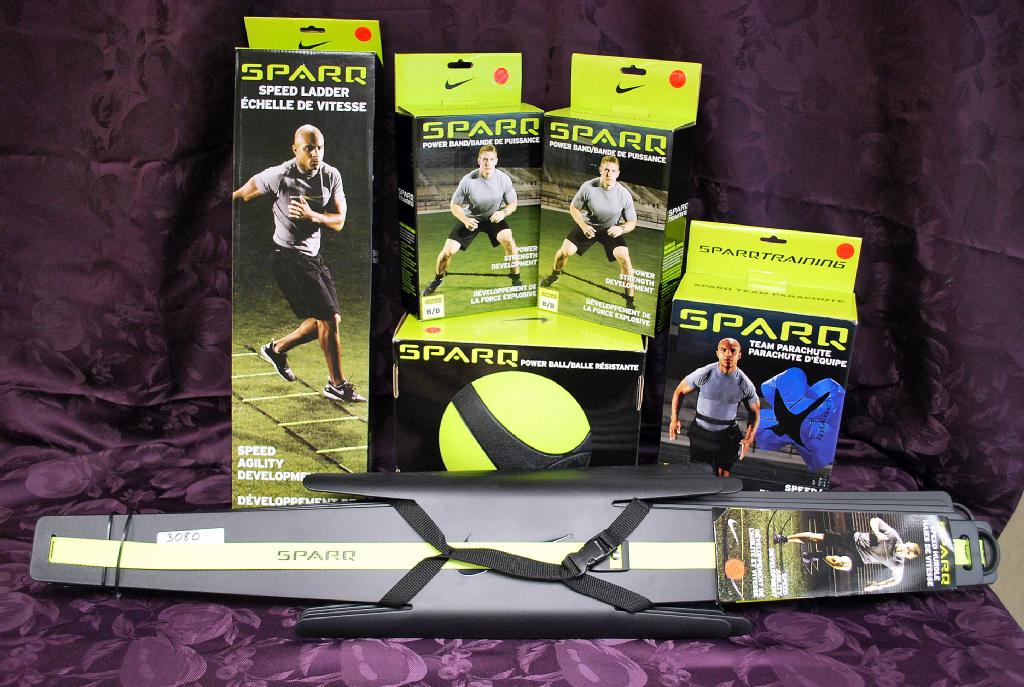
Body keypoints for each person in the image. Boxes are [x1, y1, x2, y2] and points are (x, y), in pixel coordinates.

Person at [232, 124, 366, 403]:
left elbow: (339, 221)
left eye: (320, 148)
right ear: (296, 150)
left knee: (328, 320)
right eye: (309, 149)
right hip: (288, 258)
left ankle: (276, 349)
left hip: (313, 257)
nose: (316, 154)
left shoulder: (331, 175)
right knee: (328, 319)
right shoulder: (280, 175)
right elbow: (242, 194)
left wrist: (311, 215)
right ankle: (337, 385)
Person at [539, 155, 638, 309]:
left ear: (618, 173)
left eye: (613, 171)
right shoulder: (588, 187)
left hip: (610, 229)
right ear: (600, 170)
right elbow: (574, 208)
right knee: (564, 252)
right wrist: (583, 226)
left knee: (624, 257)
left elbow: (632, 222)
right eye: (606, 170)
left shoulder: (624, 194)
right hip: (588, 226)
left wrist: (621, 228)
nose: (609, 174)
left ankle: (630, 301)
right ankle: (554, 275)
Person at [422, 145, 520, 296]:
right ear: (479, 160)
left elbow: (513, 203)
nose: (488, 163)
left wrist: (504, 212)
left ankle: (516, 279)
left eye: (491, 159)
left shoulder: (504, 179)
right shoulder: (468, 180)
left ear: (496, 161)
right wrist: (465, 219)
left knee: (509, 241)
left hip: (493, 217)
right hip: (472, 218)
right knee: (447, 252)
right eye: (485, 159)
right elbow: (454, 205)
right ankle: (437, 279)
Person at [668, 338, 760, 477]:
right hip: (701, 432)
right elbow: (679, 391)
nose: (728, 354)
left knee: (723, 476)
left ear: (739, 355)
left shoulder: (745, 384)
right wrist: (674, 419)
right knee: (698, 474)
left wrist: (749, 438)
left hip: (727, 435)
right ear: (718, 353)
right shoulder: (704, 374)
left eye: (733, 351)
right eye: (724, 350)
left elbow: (755, 412)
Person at [774, 516, 922, 592]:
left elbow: (896, 580)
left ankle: (819, 556)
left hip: (859, 558)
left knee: (840, 564)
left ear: (907, 557)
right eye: (907, 548)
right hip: (852, 539)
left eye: (908, 553)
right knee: (817, 538)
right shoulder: (893, 536)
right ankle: (783, 539)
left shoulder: (898, 564)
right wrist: (877, 532)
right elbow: (875, 520)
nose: (905, 551)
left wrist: (878, 586)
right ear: (907, 543)